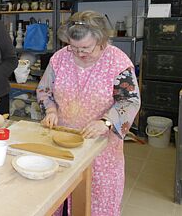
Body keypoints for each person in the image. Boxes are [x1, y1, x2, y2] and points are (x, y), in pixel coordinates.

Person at [37, 11, 140, 215]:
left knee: (96, 201)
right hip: (64, 141)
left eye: (85, 48)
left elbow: (129, 101)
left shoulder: (117, 62)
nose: (79, 53)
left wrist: (106, 122)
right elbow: (44, 91)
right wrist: (51, 109)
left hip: (101, 146)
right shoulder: (60, 58)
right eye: (73, 47)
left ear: (101, 39)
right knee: (61, 198)